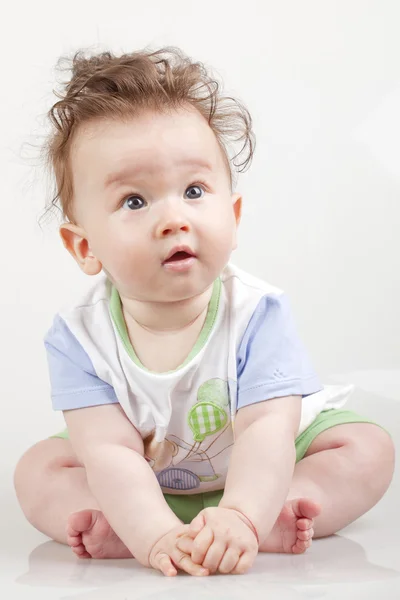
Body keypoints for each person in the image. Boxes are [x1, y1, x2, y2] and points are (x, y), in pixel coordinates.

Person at [14, 47, 395, 577]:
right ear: (84, 248)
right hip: (144, 471)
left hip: (261, 461)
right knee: (37, 472)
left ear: (233, 217)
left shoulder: (257, 312)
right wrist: (153, 537)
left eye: (194, 191)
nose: (174, 218)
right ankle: (142, 521)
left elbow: (267, 429)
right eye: (134, 201)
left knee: (366, 447)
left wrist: (244, 513)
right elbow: (109, 452)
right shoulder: (79, 337)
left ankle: (273, 515)